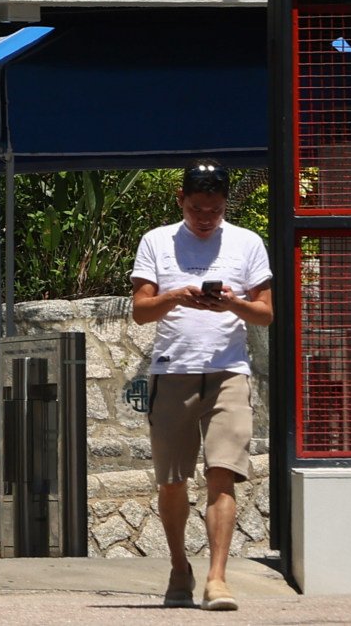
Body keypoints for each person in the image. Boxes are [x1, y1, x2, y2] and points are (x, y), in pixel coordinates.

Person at [131, 163, 276, 609]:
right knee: (172, 480)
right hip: (172, 372)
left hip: (229, 372)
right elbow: (141, 311)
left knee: (222, 474)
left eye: (214, 210)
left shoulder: (247, 242)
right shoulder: (157, 241)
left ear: (226, 203)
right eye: (197, 209)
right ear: (181, 199)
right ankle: (180, 569)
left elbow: (266, 313)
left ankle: (217, 579)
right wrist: (176, 296)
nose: (206, 217)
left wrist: (231, 303)